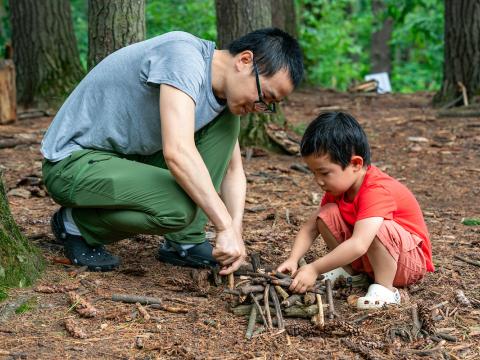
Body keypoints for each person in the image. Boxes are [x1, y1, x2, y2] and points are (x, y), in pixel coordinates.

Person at [41, 28, 304, 275]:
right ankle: (75, 224)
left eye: (269, 105)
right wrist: (222, 225)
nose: (260, 107)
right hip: (73, 163)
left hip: (124, 160)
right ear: (245, 61)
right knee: (178, 208)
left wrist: (235, 230)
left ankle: (184, 242)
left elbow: (233, 170)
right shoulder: (183, 56)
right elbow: (177, 152)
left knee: (227, 121)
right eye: (264, 96)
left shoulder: (223, 98)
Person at [277, 112, 434, 309]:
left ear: (355, 164)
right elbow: (310, 228)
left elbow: (359, 244)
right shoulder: (339, 188)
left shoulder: (375, 190)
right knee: (326, 213)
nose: (318, 180)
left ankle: (386, 289)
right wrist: (293, 259)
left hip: (407, 264)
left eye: (324, 172)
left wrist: (315, 269)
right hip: (373, 256)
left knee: (377, 225)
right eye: (314, 172)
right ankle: (351, 272)